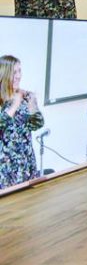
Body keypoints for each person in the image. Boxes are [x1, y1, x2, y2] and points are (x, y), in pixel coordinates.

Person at [0, 55, 44, 190]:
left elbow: (38, 124)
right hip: (6, 167)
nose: (19, 76)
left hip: (26, 163)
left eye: (20, 71)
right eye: (14, 72)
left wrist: (32, 105)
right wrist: (14, 105)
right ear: (5, 74)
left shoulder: (24, 96)